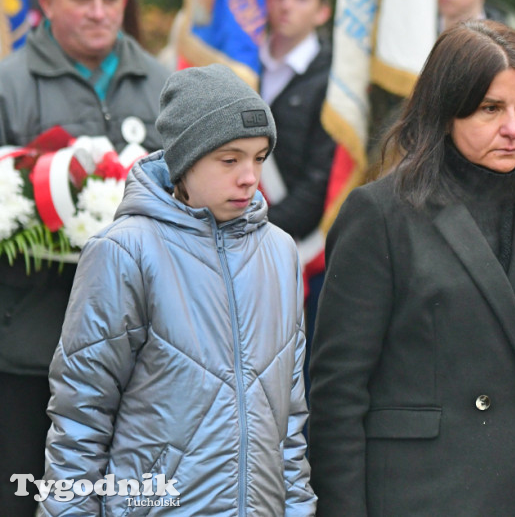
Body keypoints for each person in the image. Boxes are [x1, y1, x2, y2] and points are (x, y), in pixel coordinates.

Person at [308, 20, 515, 517]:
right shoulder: (381, 214)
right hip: (420, 495)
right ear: (445, 112)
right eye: (490, 109)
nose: (513, 128)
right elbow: (337, 392)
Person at [38, 64, 316, 515]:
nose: (249, 175)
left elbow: (289, 417)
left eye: (259, 157)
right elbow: (80, 414)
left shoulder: (280, 252)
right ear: (184, 161)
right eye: (230, 159)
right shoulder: (125, 251)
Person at [0, 0, 170, 517]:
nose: (99, 12)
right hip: (30, 354)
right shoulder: (8, 86)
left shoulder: (166, 85)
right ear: (45, 3)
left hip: (144, 356)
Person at [260, 0, 336, 241]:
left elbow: (318, 181)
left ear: (322, 12)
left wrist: (260, 228)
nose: (286, 6)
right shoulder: (243, 64)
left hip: (288, 237)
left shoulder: (330, 78)